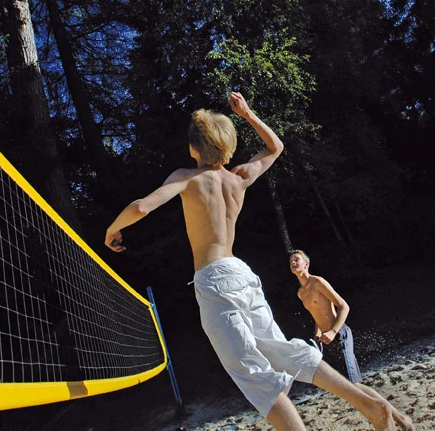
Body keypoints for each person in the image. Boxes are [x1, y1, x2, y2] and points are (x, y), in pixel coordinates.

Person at [105, 92, 412, 431]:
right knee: (281, 351)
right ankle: (368, 404)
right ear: (229, 146)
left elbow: (141, 207)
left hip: (214, 278)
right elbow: (275, 147)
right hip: (241, 273)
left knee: (253, 375)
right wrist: (248, 114)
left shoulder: (187, 177)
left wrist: (112, 230)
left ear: (194, 149)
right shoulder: (238, 178)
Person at [289, 249, 362, 384]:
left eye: (296, 259)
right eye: (291, 261)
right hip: (325, 339)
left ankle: (378, 404)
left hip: (339, 333)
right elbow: (316, 314)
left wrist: (333, 332)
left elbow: (343, 306)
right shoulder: (300, 293)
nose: (293, 262)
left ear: (306, 264)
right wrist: (317, 336)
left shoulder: (317, 282)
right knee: (343, 383)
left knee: (352, 382)